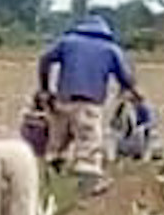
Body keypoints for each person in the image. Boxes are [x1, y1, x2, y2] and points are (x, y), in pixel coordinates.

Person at [35, 14, 143, 192]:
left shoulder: (67, 42)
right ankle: (87, 186)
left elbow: (44, 59)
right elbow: (126, 79)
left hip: (62, 101)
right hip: (89, 105)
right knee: (89, 146)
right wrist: (134, 95)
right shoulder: (110, 49)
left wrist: (45, 88)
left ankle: (49, 184)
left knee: (57, 144)